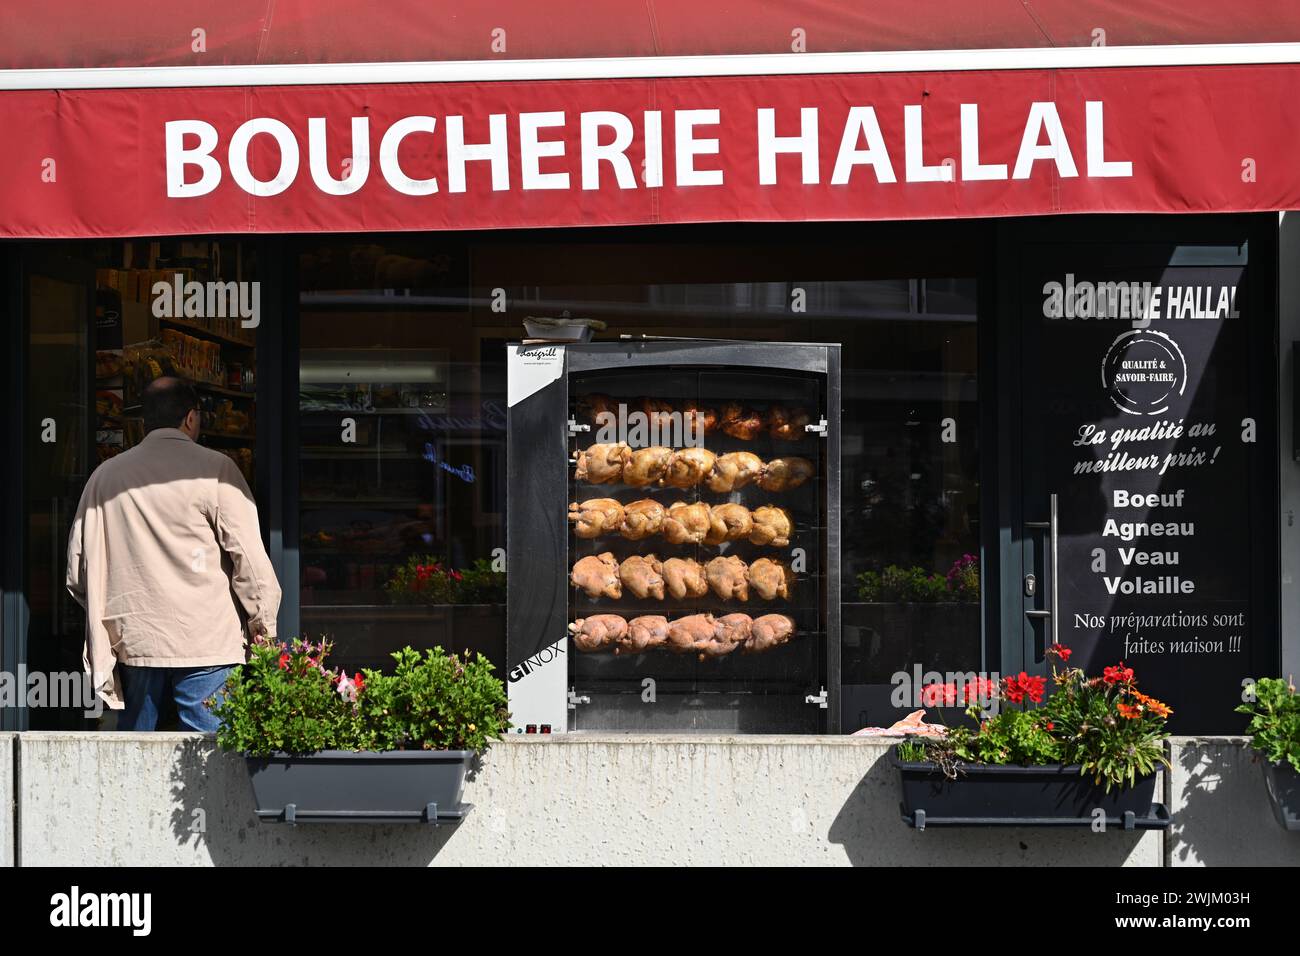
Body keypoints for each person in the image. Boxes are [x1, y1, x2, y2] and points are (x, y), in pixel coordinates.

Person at [66, 376, 281, 731]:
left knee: (136, 751)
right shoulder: (216, 470)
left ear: (143, 422)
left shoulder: (105, 477)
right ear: (192, 418)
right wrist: (263, 624)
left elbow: (78, 569)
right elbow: (249, 561)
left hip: (134, 637)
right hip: (206, 638)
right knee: (210, 756)